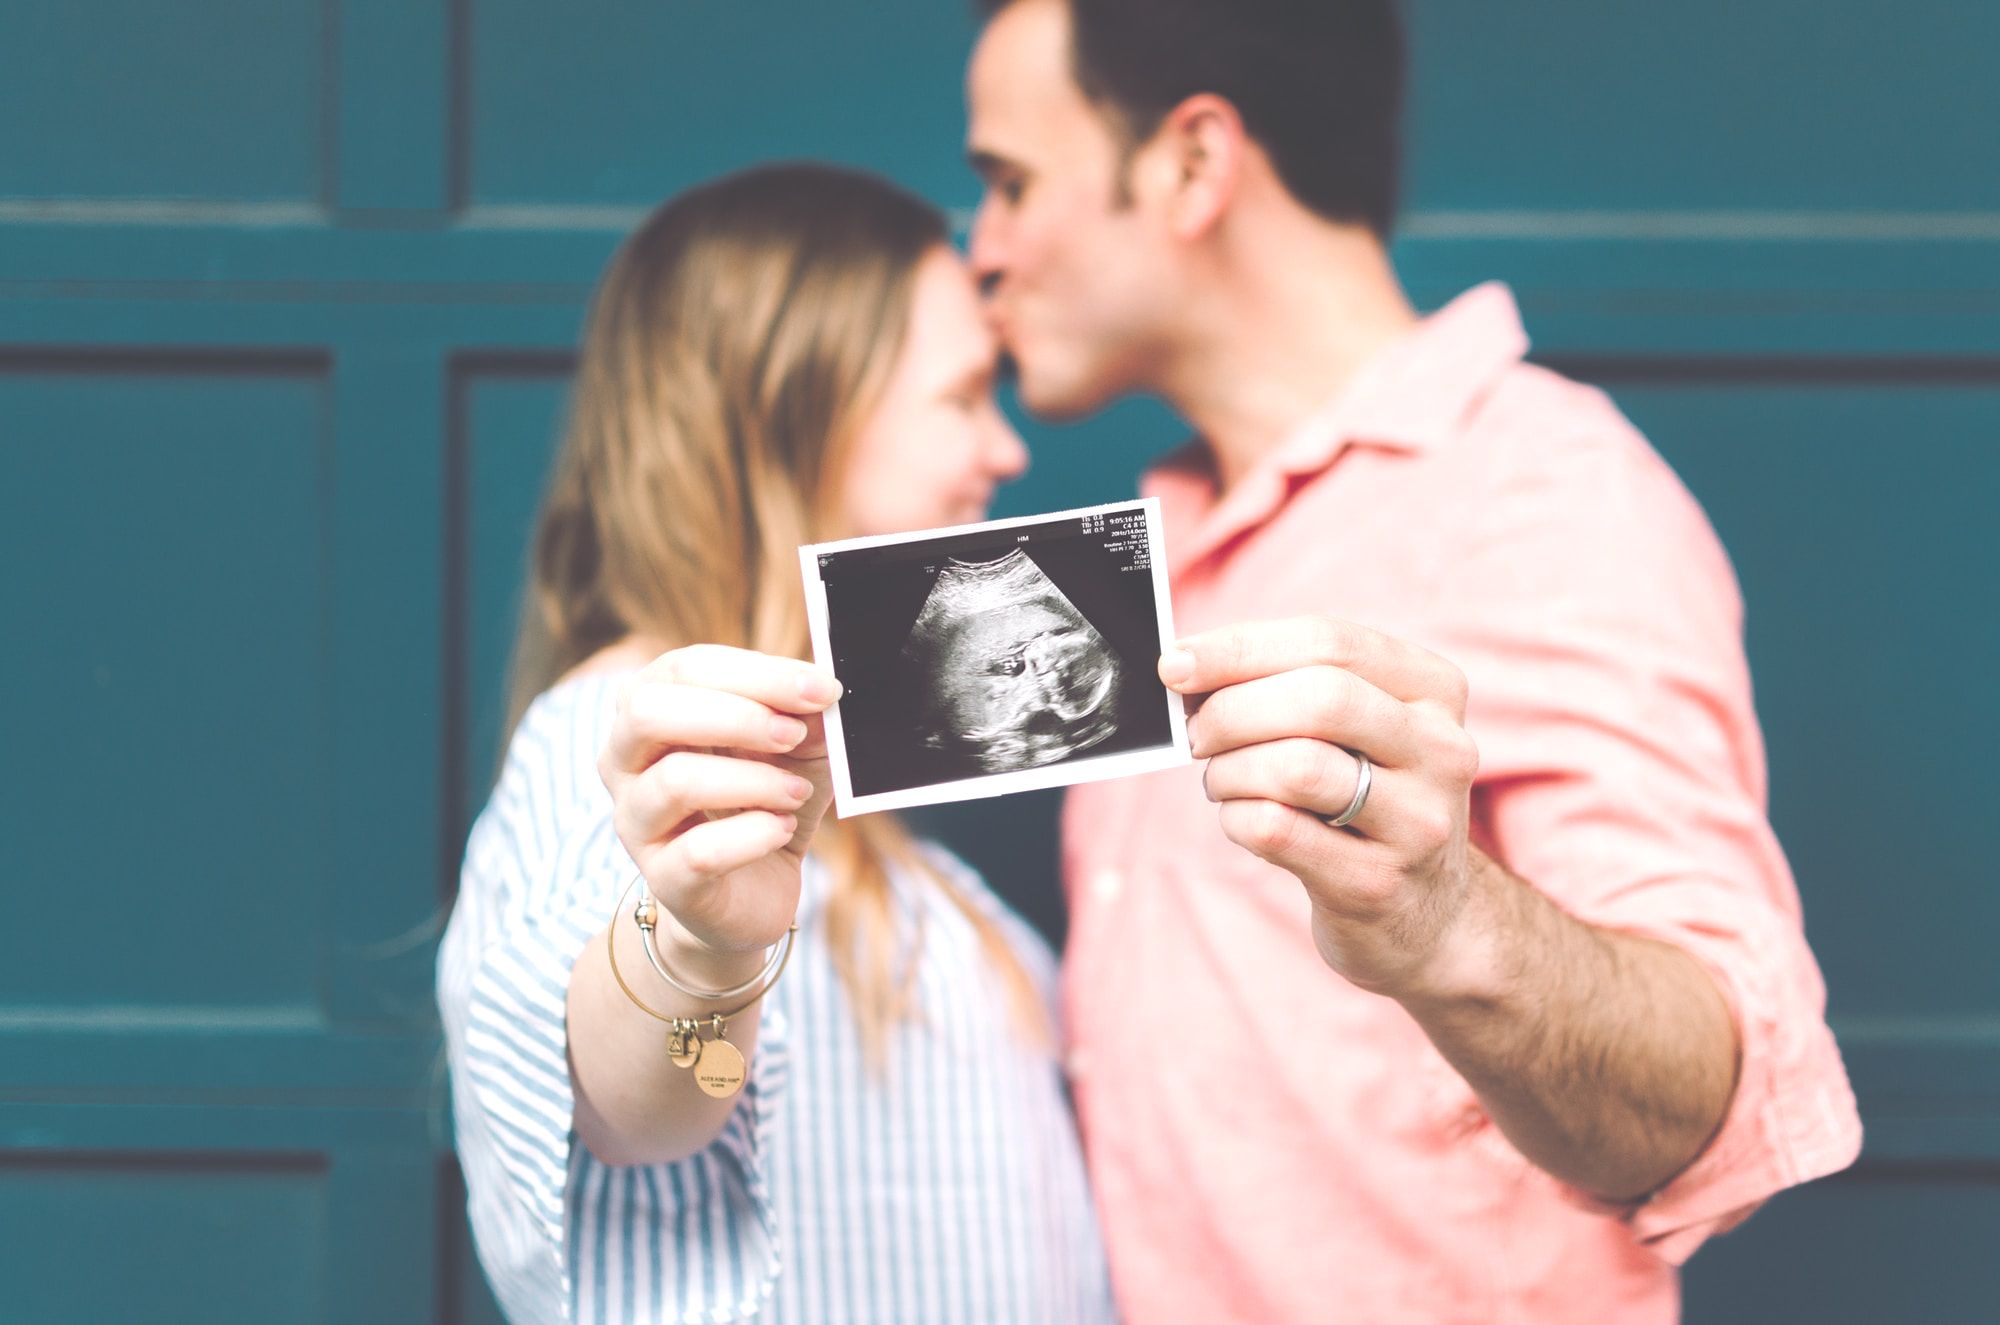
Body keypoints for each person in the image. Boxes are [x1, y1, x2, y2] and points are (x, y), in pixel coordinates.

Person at [962, 1, 1862, 1321]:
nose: (980, 252)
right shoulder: (1148, 553)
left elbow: (1711, 1103)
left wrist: (1444, 920)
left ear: (1194, 164)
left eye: (1010, 183)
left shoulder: (1538, 493)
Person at [436, 162, 1115, 1325]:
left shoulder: (851, 815)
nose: (1004, 451)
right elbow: (642, 1107)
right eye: (959, 397)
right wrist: (701, 949)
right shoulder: (627, 756)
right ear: (789, 415)